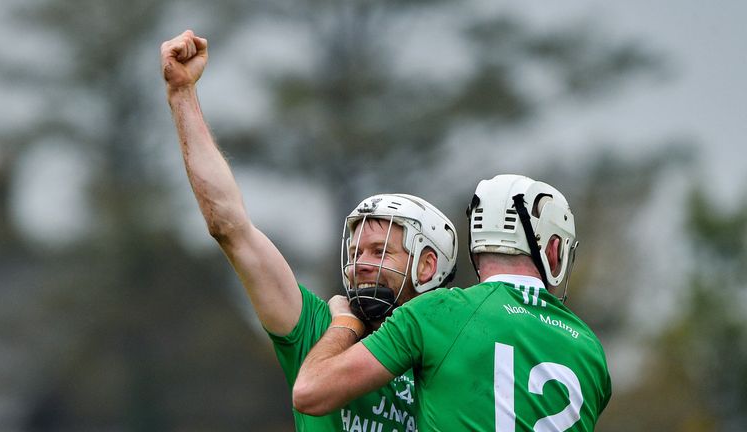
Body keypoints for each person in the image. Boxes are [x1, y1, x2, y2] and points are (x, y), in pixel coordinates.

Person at [160, 29, 459, 431]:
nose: (360, 265)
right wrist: (182, 94)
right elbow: (229, 226)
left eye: (380, 251)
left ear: (427, 267)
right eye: (355, 253)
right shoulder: (316, 329)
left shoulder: (456, 355)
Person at [294, 174, 612, 431]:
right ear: (554, 248)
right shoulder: (588, 348)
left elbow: (311, 391)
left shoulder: (438, 312)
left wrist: (345, 323)